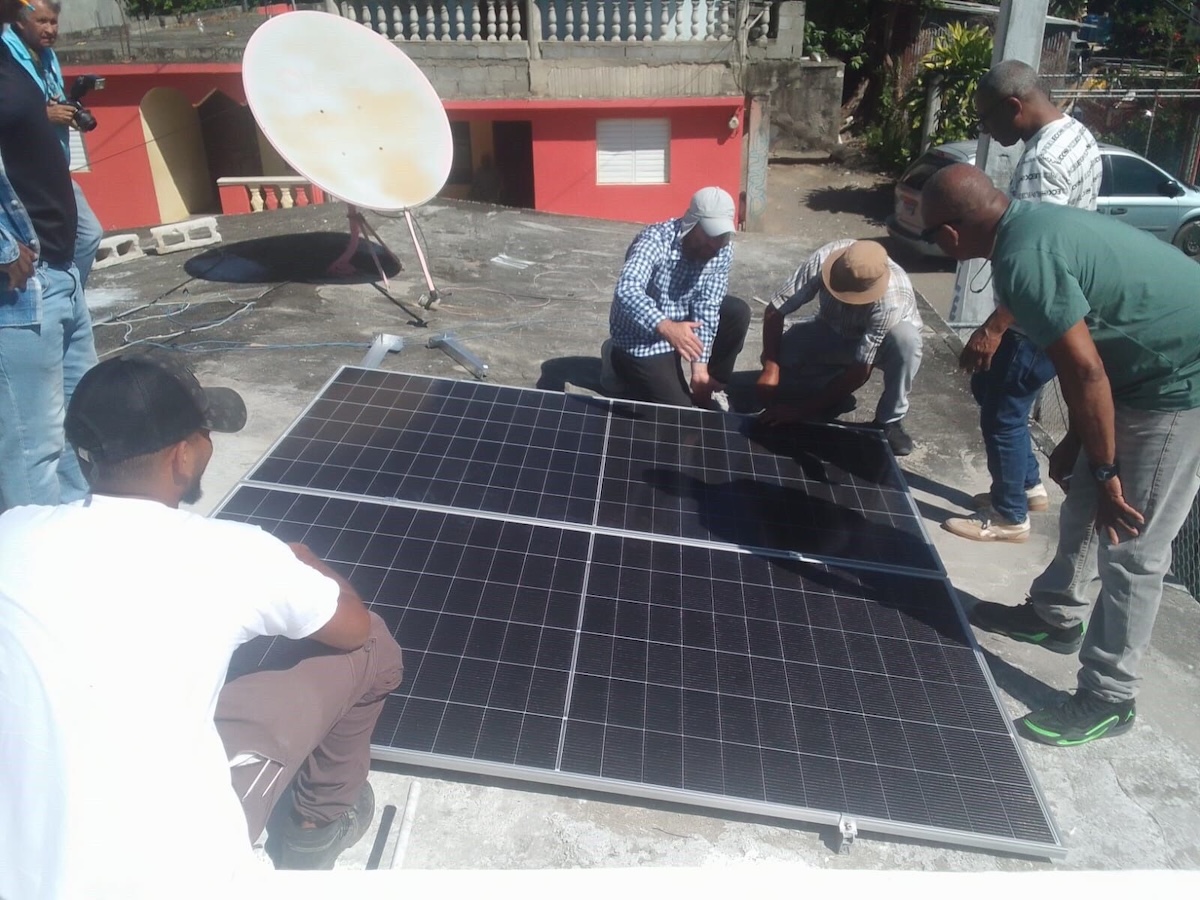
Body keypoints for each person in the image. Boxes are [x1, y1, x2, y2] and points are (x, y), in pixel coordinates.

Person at [0, 353, 404, 899]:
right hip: (184, 880)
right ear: (184, 455)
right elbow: (352, 628)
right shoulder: (233, 554)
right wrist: (306, 560)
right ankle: (316, 828)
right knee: (374, 647)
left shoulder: (12, 534)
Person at [920, 163, 1200, 747]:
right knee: (1083, 504)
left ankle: (1110, 696)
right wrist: (1081, 442)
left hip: (1178, 383)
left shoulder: (1021, 260)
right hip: (1138, 370)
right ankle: (1055, 616)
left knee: (1132, 543)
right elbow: (1087, 358)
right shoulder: (1029, 225)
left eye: (932, 237)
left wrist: (1105, 465)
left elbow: (1084, 366)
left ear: (951, 234)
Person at [944, 59, 1102, 543]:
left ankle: (1010, 515)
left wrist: (994, 327)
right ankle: (1027, 485)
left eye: (987, 118)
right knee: (991, 391)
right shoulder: (1078, 135)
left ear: (1014, 106)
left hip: (1033, 318)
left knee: (1002, 411)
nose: (986, 131)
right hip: (1061, 302)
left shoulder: (1041, 162)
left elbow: (1039, 255)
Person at [1, 0, 96, 514]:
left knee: (78, 427)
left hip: (60, 270)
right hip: (22, 285)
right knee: (33, 450)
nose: (51, 25)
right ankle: (42, 577)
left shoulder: (21, 57)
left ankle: (76, 536)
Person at [756, 239, 923, 457]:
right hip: (831, 329)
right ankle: (828, 390)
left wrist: (800, 411)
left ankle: (889, 421)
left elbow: (860, 371)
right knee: (784, 353)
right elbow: (775, 309)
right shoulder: (826, 257)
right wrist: (771, 367)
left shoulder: (892, 299)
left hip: (882, 346)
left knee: (907, 341)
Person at [604, 186, 750, 409]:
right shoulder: (655, 240)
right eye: (710, 234)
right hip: (644, 335)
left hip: (683, 316)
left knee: (736, 312)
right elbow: (627, 289)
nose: (715, 243)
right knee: (678, 409)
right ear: (691, 222)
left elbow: (708, 305)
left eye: (721, 235)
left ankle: (711, 385)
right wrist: (666, 326)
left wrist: (699, 368)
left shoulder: (721, 249)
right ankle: (615, 359)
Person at [4, 0, 104, 286]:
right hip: (26, 175)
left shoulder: (45, 55)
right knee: (43, 248)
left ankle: (72, 294)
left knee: (88, 235)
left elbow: (50, 97)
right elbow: (15, 111)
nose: (50, 29)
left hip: (56, 166)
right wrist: (43, 115)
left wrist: (67, 112)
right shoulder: (7, 53)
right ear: (21, 21)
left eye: (54, 22)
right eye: (43, 21)